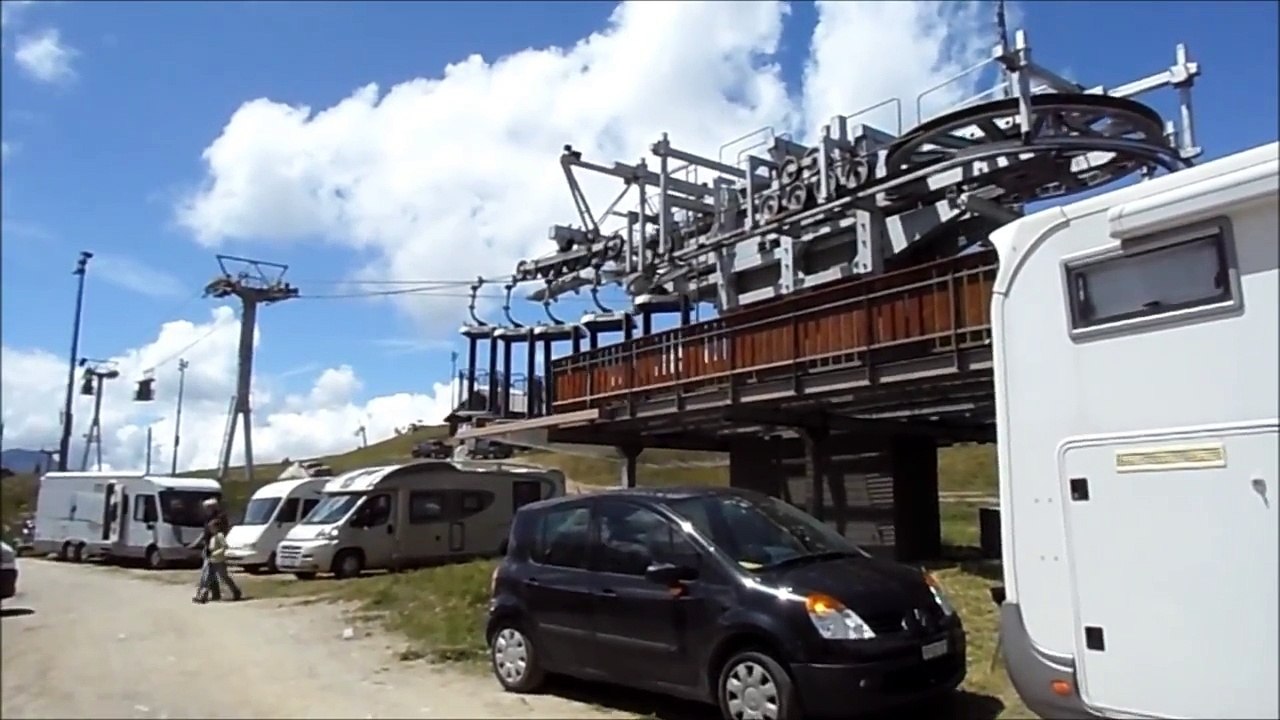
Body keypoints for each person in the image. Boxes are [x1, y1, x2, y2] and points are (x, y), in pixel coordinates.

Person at [195, 514, 242, 603]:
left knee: (224, 577)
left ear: (216, 527)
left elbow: (224, 547)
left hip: (219, 561)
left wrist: (215, 553)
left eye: (211, 527)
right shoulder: (212, 537)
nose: (210, 529)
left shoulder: (220, 536)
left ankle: (236, 592)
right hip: (212, 560)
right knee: (207, 578)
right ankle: (202, 596)